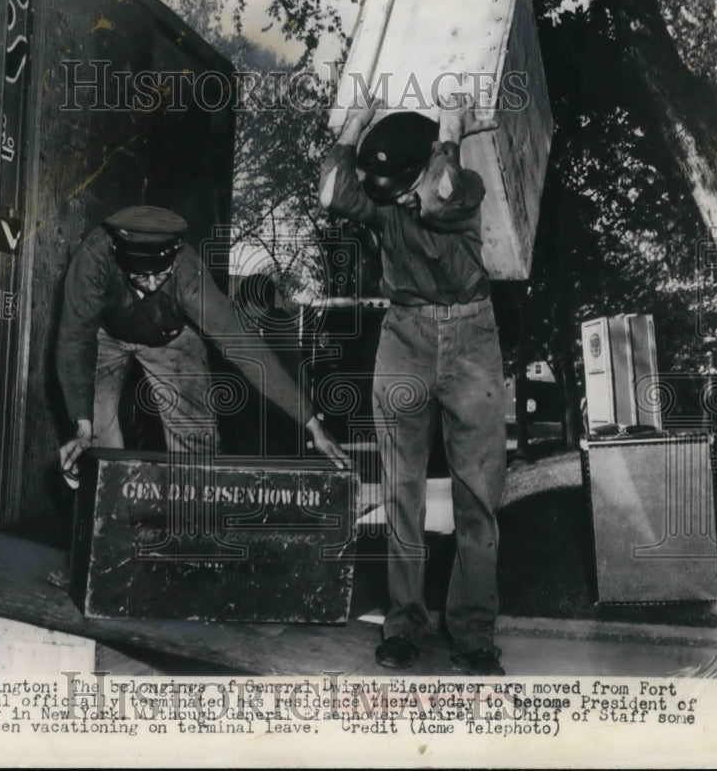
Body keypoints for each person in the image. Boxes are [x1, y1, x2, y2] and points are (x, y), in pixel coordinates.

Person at [318, 90, 508, 675]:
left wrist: (450, 128)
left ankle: (473, 634)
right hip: (404, 337)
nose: (398, 200)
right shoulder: (386, 199)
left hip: (472, 339)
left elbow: (439, 196)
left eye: (405, 186)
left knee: (477, 495)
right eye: (389, 191)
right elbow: (331, 193)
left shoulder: (462, 186)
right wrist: (355, 124)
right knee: (401, 491)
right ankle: (403, 624)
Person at [56, 204, 348, 478]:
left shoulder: (187, 270)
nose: (153, 284)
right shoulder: (94, 259)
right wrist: (82, 425)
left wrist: (311, 423)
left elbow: (241, 343)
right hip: (106, 337)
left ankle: (190, 505)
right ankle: (107, 501)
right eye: (142, 276)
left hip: (169, 339)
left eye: (162, 274)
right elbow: (75, 339)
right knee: (98, 445)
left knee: (197, 449)